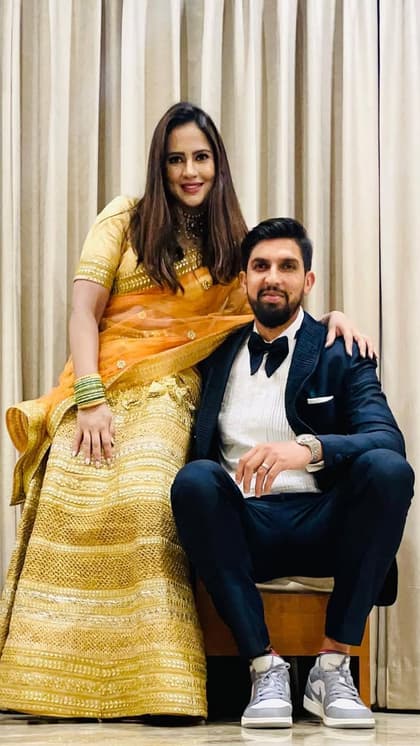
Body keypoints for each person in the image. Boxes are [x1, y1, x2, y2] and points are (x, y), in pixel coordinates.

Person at [0, 103, 370, 720]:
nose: (189, 171)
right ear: (161, 165)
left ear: (217, 163)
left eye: (200, 157)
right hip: (100, 385)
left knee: (151, 498)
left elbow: (267, 302)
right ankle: (45, 679)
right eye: (176, 159)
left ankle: (153, 685)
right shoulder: (124, 218)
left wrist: (329, 317)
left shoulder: (231, 241)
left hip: (175, 394)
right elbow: (83, 312)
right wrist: (89, 400)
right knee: (69, 481)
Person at [171, 216, 414, 729]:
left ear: (308, 280)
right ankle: (265, 669)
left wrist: (309, 448)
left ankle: (333, 666)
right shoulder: (214, 354)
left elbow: (386, 438)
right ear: (244, 279)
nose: (273, 278)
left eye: (287, 266)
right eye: (261, 266)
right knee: (194, 481)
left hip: (323, 522)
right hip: (244, 525)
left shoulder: (340, 350)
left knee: (389, 470)